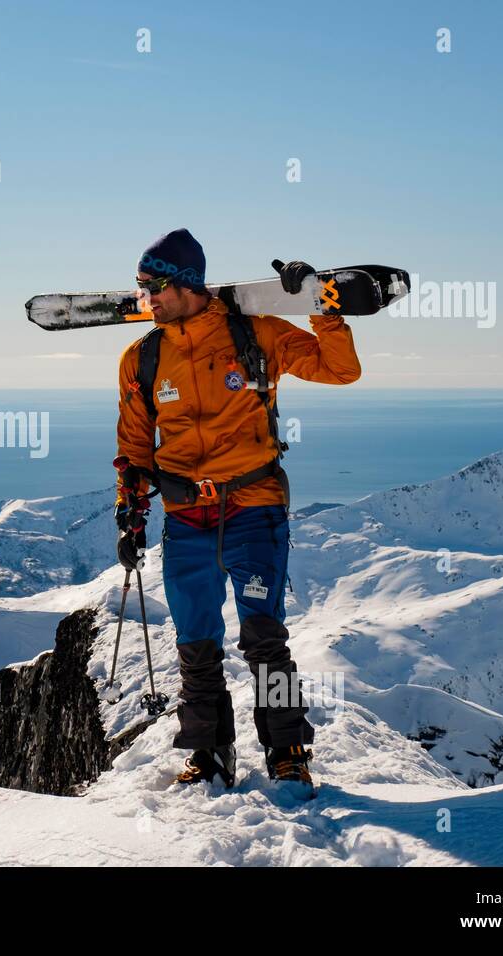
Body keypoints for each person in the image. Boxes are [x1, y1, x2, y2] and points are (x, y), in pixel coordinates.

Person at [114, 228, 361, 791]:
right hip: (185, 519)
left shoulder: (256, 335)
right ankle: (209, 751)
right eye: (140, 288)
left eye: (154, 286)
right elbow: (134, 447)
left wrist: (321, 303)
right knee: (196, 644)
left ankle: (287, 751)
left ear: (187, 285)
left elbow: (341, 370)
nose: (146, 298)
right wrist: (130, 509)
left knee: (264, 640)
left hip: (253, 508)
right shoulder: (143, 358)